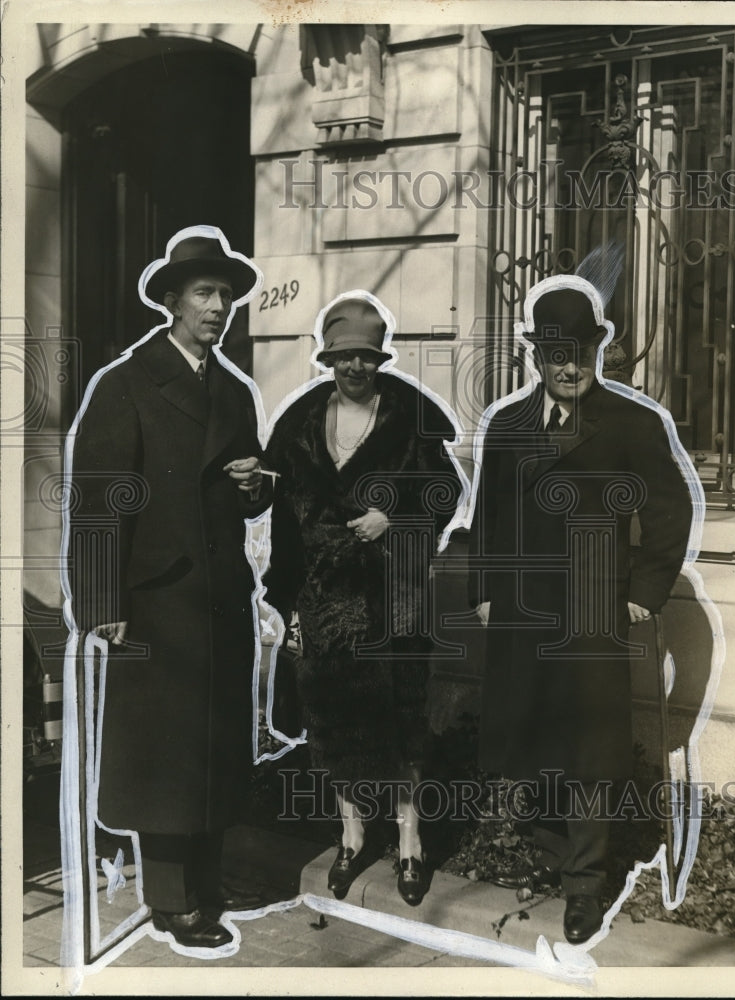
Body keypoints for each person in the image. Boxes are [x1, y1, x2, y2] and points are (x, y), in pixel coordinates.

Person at [469, 275, 694, 944]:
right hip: (522, 609)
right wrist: (483, 588)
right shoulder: (507, 426)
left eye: (581, 353)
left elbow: (669, 511)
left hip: (594, 610)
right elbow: (489, 515)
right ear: (535, 357)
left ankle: (584, 886)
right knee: (535, 732)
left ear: (597, 353)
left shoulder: (632, 423)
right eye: (555, 354)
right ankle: (551, 853)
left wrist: (643, 592)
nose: (568, 367)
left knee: (591, 748)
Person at [67, 229, 270, 949]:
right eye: (205, 294)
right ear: (171, 302)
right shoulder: (124, 384)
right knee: (166, 754)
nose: (219, 309)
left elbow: (244, 489)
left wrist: (256, 486)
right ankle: (173, 901)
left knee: (214, 747)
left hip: (218, 598)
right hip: (156, 600)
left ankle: (207, 885)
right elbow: (97, 501)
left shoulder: (234, 388)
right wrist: (100, 603)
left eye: (227, 297)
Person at [263, 293, 464, 906]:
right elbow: (281, 518)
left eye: (367, 357)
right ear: (329, 358)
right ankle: (351, 836)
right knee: (334, 721)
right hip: (325, 600)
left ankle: (409, 841)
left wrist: (395, 517)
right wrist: (287, 601)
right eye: (345, 356)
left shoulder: (408, 417)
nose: (356, 367)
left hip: (394, 596)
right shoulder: (299, 426)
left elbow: (446, 491)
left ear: (380, 360)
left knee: (403, 722)